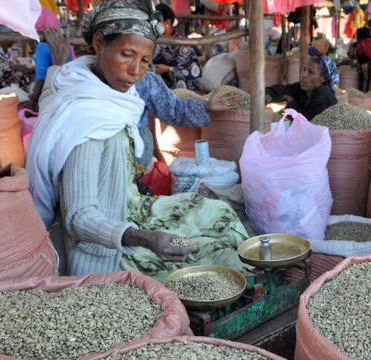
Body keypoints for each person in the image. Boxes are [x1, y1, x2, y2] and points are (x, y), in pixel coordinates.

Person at [26, 0, 248, 280]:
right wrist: (147, 238)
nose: (135, 70)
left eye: (144, 60)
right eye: (126, 55)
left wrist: (205, 106)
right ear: (98, 42)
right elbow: (79, 218)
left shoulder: (107, 91)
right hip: (108, 248)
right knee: (215, 255)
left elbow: (173, 108)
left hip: (131, 208)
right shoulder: (87, 122)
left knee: (221, 214)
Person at [265, 53, 338, 120]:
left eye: (311, 72)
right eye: (304, 69)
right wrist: (268, 94)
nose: (303, 75)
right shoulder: (301, 89)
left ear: (323, 78)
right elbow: (280, 90)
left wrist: (291, 104)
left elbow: (308, 123)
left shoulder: (323, 93)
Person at [151, 3, 202, 90]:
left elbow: (195, 72)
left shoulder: (182, 45)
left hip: (181, 92)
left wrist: (169, 69)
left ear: (167, 22)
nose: (153, 26)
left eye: (157, 23)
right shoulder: (154, 41)